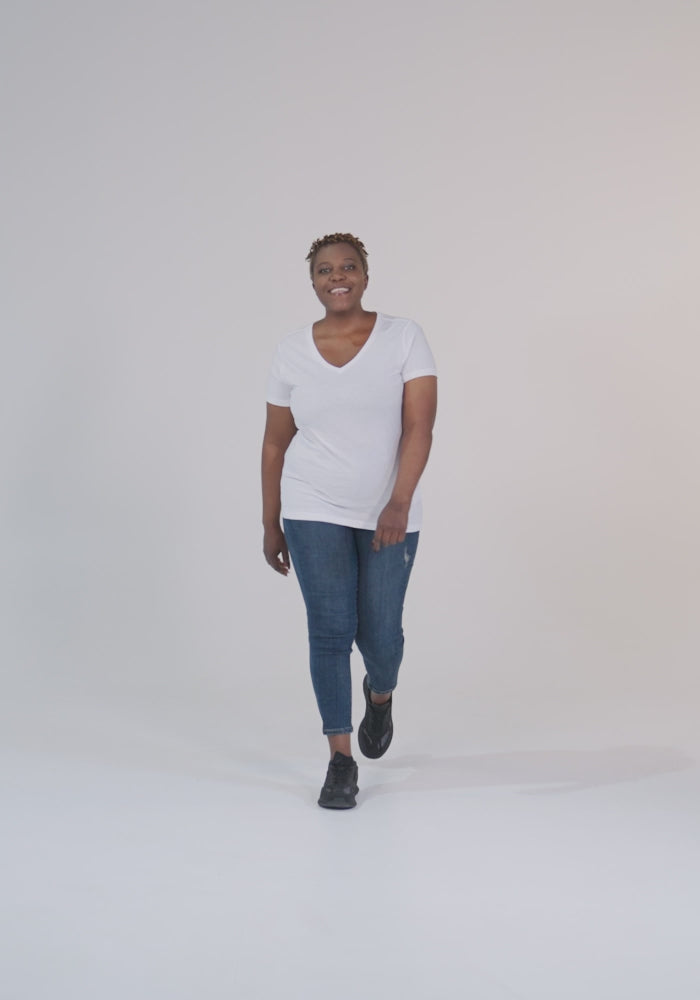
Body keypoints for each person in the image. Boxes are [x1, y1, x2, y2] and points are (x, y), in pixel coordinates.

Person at [261, 233, 437, 809]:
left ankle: (380, 694)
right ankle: (340, 759)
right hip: (312, 504)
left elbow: (420, 426)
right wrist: (271, 521)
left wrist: (399, 501)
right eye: (324, 270)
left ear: (365, 275)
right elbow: (275, 442)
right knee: (330, 630)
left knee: (381, 635)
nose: (337, 277)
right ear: (312, 281)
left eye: (348, 267)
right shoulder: (291, 351)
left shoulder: (403, 337)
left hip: (389, 509)